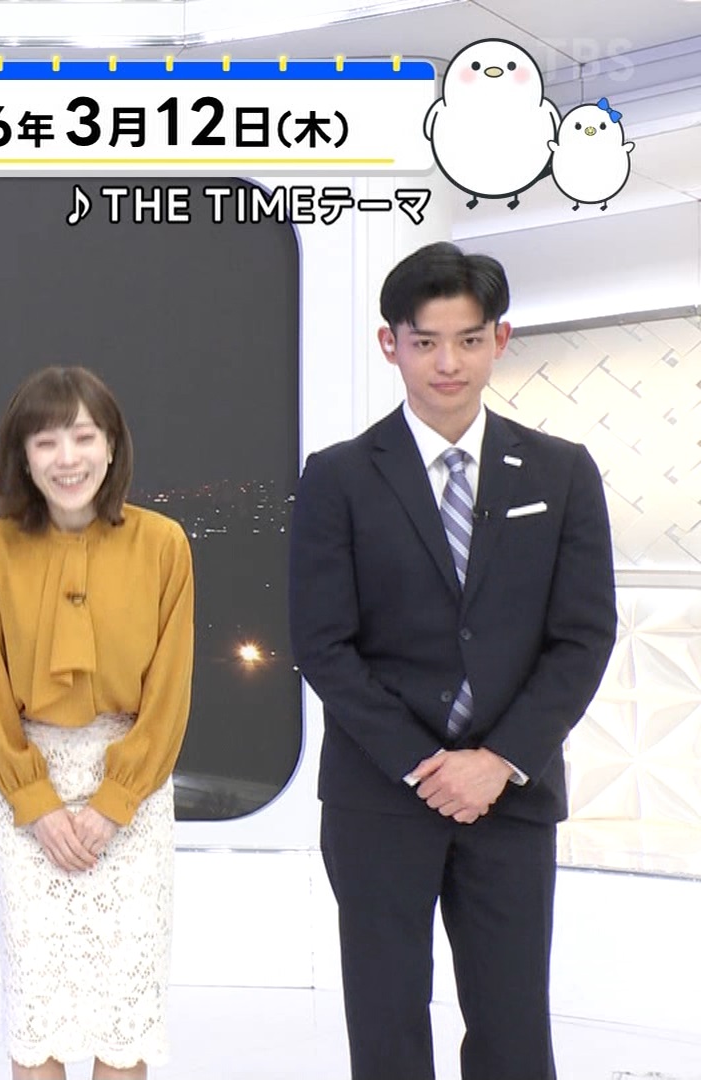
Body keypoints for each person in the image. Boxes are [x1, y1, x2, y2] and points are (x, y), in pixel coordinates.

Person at [289, 241, 617, 1080]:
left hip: (512, 797)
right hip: (379, 796)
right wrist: (425, 764)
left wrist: (497, 761)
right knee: (387, 1025)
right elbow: (322, 644)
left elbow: (583, 636)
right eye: (426, 342)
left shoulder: (562, 472)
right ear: (389, 344)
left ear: (500, 340)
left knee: (514, 1029)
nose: (448, 363)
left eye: (469, 340)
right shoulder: (338, 477)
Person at [0, 366, 193, 1080]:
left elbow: (169, 693)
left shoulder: (164, 543)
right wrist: (35, 803)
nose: (68, 459)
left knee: (125, 1011)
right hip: (27, 794)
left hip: (133, 797)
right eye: (46, 441)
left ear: (113, 445)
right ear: (23, 457)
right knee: (38, 1010)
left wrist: (115, 801)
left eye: (85, 437)